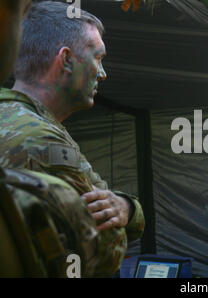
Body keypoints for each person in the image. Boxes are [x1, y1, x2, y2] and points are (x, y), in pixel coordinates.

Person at [0, 1, 145, 276]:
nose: (103, 74)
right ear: (66, 60)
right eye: (98, 58)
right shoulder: (40, 139)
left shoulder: (24, 120)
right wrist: (130, 211)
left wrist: (125, 206)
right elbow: (104, 245)